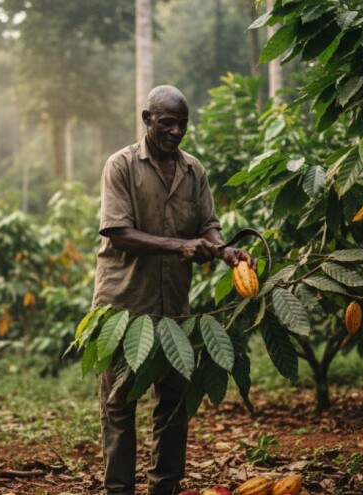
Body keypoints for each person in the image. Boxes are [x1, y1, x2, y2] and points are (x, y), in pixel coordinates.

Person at [93, 85, 253, 495]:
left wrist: (225, 251)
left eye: (183, 123)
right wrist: (178, 246)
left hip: (173, 309)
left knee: (174, 403)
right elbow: (118, 232)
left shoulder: (193, 171)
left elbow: (207, 225)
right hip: (124, 308)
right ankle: (118, 490)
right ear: (147, 119)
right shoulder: (121, 166)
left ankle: (164, 487)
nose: (177, 131)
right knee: (119, 405)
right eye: (168, 123)